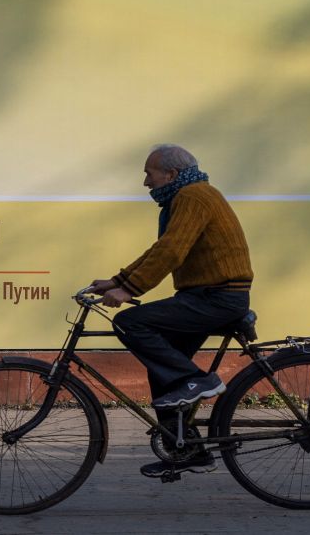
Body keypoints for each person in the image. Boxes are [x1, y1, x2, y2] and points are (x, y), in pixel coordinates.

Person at [88, 144, 254, 478]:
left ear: (171, 174)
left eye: (149, 174)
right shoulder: (189, 195)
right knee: (162, 370)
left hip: (217, 298)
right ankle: (187, 451)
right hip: (205, 296)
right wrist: (118, 281)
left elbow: (172, 251)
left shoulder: (193, 196)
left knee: (129, 321)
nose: (146, 183)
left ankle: (198, 381)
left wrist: (129, 290)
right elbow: (161, 249)